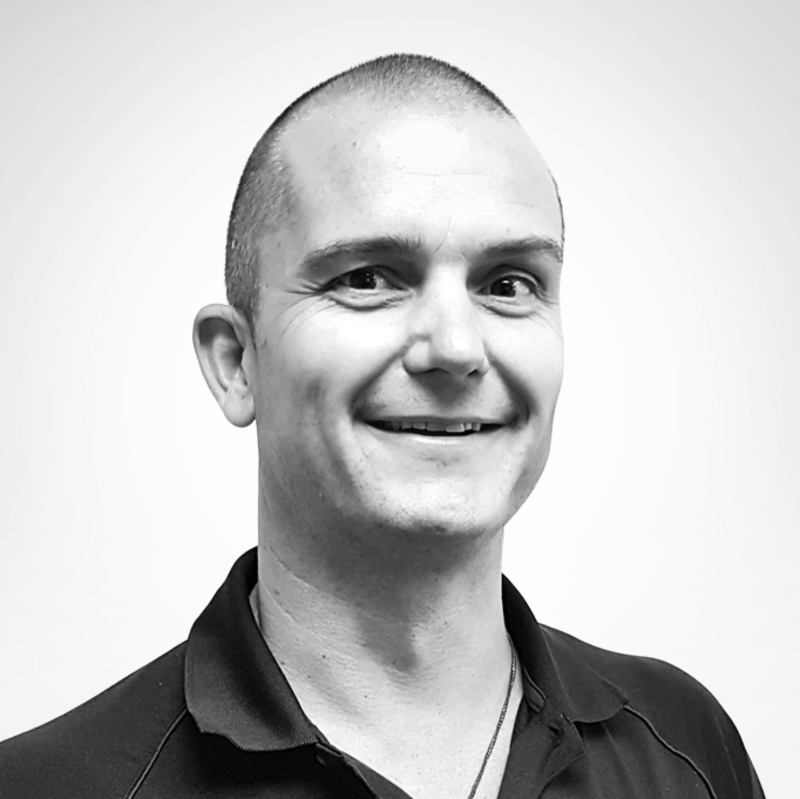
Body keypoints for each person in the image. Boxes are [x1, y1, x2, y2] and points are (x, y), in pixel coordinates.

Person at [0, 54, 763, 799]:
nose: (455, 347)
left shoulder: (687, 746)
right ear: (237, 363)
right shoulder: (48, 785)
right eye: (367, 278)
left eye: (508, 284)